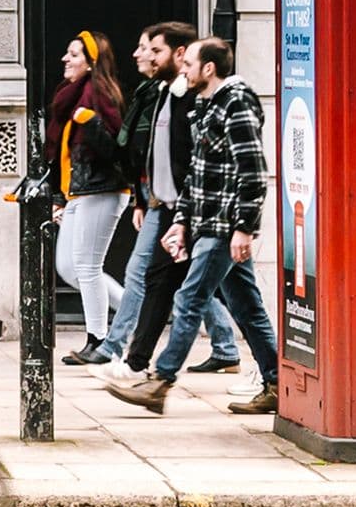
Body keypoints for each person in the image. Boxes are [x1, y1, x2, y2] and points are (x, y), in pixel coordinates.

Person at [107, 37, 284, 416]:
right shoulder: (206, 104)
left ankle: (160, 382)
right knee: (246, 305)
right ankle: (276, 381)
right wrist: (183, 222)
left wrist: (244, 228)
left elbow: (253, 172)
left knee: (189, 298)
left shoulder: (236, 103)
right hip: (205, 222)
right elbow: (197, 173)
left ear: (209, 69)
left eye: (189, 64)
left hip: (224, 225)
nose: (183, 69)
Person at [97, 21, 239, 377]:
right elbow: (153, 154)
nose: (144, 55)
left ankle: (145, 366)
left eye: (155, 50)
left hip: (194, 212)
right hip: (170, 207)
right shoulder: (163, 93)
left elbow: (212, 163)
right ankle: (142, 363)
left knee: (184, 290)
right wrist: (144, 200)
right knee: (176, 286)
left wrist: (195, 215)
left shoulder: (202, 102)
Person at [48, 31, 128, 366]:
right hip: (77, 191)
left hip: (103, 189)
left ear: (92, 62)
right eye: (67, 53)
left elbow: (115, 149)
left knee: (87, 266)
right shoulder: (70, 97)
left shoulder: (100, 96)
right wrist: (58, 198)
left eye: (74, 54)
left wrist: (92, 122)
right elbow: (60, 155)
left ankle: (99, 339)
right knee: (68, 267)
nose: (66, 59)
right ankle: (132, 311)